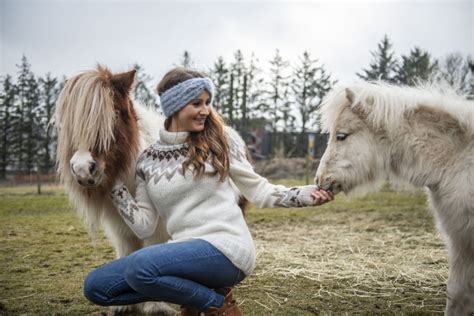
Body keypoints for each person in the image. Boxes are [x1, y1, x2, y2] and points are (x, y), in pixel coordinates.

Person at [83, 68, 334, 315]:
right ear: (174, 106)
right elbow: (144, 227)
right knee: (97, 287)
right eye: (197, 103)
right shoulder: (147, 160)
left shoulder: (221, 141)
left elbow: (259, 190)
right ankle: (196, 292)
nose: (206, 110)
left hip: (226, 249)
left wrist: (304, 195)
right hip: (182, 254)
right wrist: (113, 184)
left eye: (207, 102)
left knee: (139, 266)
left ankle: (213, 303)